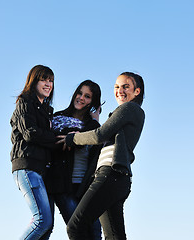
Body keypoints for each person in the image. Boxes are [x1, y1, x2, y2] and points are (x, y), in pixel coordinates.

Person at [57, 72, 145, 240]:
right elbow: (102, 136)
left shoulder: (130, 108)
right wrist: (95, 122)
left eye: (126, 87)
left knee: (75, 227)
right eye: (117, 87)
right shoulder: (129, 113)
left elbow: (99, 135)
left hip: (110, 176)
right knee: (114, 236)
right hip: (118, 179)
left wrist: (72, 138)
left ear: (137, 92)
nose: (120, 90)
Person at [45, 80, 103, 239]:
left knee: (96, 231)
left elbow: (98, 146)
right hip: (64, 185)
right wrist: (74, 138)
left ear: (94, 102)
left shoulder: (93, 126)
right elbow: (54, 143)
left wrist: (95, 120)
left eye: (87, 96)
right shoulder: (58, 118)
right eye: (80, 93)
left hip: (85, 187)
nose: (81, 98)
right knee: (79, 232)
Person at [10, 65, 57, 240]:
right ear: (33, 81)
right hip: (27, 166)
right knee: (42, 221)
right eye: (44, 79)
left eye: (51, 80)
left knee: (47, 227)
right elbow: (30, 133)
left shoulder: (46, 111)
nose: (48, 84)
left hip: (41, 170)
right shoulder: (25, 102)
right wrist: (56, 138)